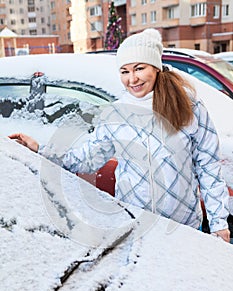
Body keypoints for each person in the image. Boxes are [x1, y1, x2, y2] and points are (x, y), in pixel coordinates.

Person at [9, 28, 230, 242]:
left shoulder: (189, 107)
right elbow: (85, 159)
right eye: (125, 71)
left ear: (155, 68)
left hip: (183, 228)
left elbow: (208, 167)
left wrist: (219, 224)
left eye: (139, 68)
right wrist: (41, 149)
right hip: (137, 227)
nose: (132, 79)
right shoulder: (116, 113)